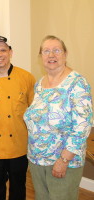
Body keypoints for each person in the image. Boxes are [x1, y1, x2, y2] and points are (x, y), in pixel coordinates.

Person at [24, 35, 93, 200]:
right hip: (37, 160)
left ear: (65, 54)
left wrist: (63, 159)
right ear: (41, 57)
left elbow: (82, 127)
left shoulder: (77, 83)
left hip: (63, 161)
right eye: (46, 51)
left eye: (56, 50)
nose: (51, 55)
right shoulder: (40, 84)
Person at [0, 36, 35, 200]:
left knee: (18, 188)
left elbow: (34, 113)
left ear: (10, 52)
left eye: (3, 50)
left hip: (18, 146)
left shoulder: (26, 78)